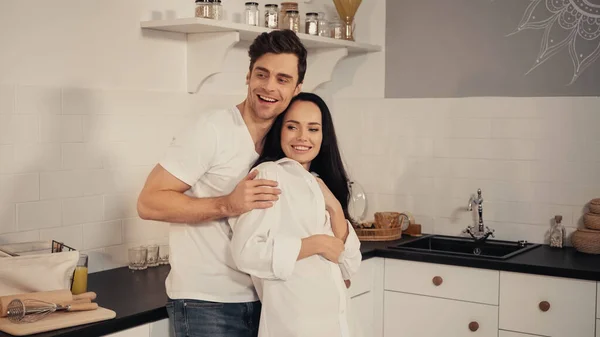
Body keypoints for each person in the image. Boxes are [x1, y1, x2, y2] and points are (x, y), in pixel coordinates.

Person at [136, 30, 308, 337]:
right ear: (248, 76)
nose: (269, 87)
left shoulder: (283, 142)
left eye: (282, 79)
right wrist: (227, 204)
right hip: (205, 304)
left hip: (265, 298)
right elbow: (148, 201)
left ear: (297, 88)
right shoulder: (212, 129)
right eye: (262, 74)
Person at [229, 92, 362, 337]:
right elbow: (246, 252)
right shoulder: (270, 175)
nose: (303, 137)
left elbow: (349, 265)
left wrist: (333, 208)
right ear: (280, 130)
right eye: (292, 127)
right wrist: (317, 244)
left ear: (324, 136)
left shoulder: (319, 183)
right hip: (294, 326)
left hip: (337, 324)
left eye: (313, 129)